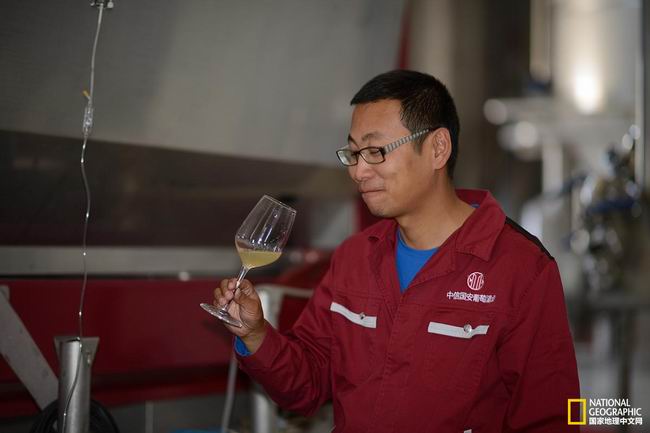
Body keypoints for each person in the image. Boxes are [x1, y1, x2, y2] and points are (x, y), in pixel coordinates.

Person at [213, 70, 580, 432]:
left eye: (376, 151)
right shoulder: (355, 258)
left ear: (438, 148)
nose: (359, 171)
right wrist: (255, 334)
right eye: (353, 153)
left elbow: (551, 418)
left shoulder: (521, 269)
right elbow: (307, 385)